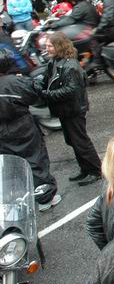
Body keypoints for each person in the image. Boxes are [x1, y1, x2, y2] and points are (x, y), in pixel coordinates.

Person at [36, 32, 103, 186]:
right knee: (72, 141)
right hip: (65, 110)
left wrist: (46, 94)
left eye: (50, 46)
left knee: (81, 142)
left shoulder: (70, 66)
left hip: (74, 110)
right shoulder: (54, 61)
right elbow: (46, 77)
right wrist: (39, 83)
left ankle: (96, 171)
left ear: (59, 46)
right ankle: (85, 169)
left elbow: (70, 90)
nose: (47, 48)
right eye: (46, 45)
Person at [0, 50, 60, 211]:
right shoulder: (15, 82)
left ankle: (15, 202)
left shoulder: (14, 81)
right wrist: (35, 81)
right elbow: (35, 95)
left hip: (3, 133)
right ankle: (45, 199)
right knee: (35, 160)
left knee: (7, 166)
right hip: (22, 127)